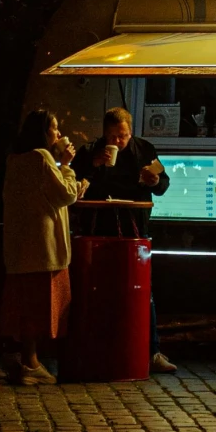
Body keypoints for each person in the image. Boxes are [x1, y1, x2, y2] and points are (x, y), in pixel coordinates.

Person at [75, 104, 176, 372]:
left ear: (130, 132)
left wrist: (154, 182)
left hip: (134, 229)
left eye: (123, 136)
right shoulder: (90, 151)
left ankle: (150, 350)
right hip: (97, 228)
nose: (118, 141)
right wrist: (92, 165)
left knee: (141, 289)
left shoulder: (144, 150)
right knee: (96, 288)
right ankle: (95, 347)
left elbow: (164, 184)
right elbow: (71, 182)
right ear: (104, 134)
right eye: (113, 137)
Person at [1, 107, 79, 385]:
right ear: (44, 134)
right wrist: (67, 166)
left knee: (24, 306)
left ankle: (24, 359)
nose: (59, 134)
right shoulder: (43, 157)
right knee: (39, 308)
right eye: (55, 129)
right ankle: (31, 364)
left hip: (19, 246)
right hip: (43, 247)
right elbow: (65, 195)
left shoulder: (15, 159)